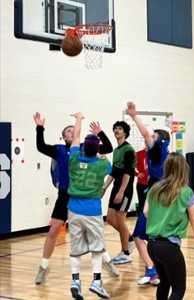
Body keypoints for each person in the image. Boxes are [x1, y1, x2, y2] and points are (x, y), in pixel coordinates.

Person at [33, 113, 114, 284]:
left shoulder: (85, 148)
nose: (72, 132)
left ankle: (106, 262)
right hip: (65, 195)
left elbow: (107, 147)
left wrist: (99, 132)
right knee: (54, 229)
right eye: (68, 131)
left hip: (83, 197)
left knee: (93, 232)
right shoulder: (59, 150)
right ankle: (43, 266)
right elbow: (40, 146)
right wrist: (40, 127)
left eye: (73, 130)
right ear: (63, 137)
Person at [144, 152, 194, 300]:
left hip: (151, 245)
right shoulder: (186, 191)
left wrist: (160, 220)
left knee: (164, 283)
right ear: (184, 169)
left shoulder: (154, 188)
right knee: (179, 289)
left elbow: (146, 211)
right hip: (169, 246)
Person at [126, 101, 170, 285]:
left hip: (155, 197)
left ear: (158, 140)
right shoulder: (165, 153)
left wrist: (134, 116)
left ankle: (152, 270)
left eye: (153, 136)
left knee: (139, 235)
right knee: (153, 237)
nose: (148, 137)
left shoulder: (158, 148)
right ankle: (155, 270)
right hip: (159, 194)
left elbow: (145, 133)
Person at [102, 121, 137, 264]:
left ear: (125, 132)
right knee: (110, 219)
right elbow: (114, 172)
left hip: (125, 188)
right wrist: (104, 188)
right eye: (115, 128)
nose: (117, 130)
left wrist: (121, 192)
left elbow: (128, 173)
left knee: (120, 218)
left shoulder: (128, 149)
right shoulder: (116, 150)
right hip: (116, 187)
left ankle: (125, 253)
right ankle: (130, 238)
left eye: (120, 128)